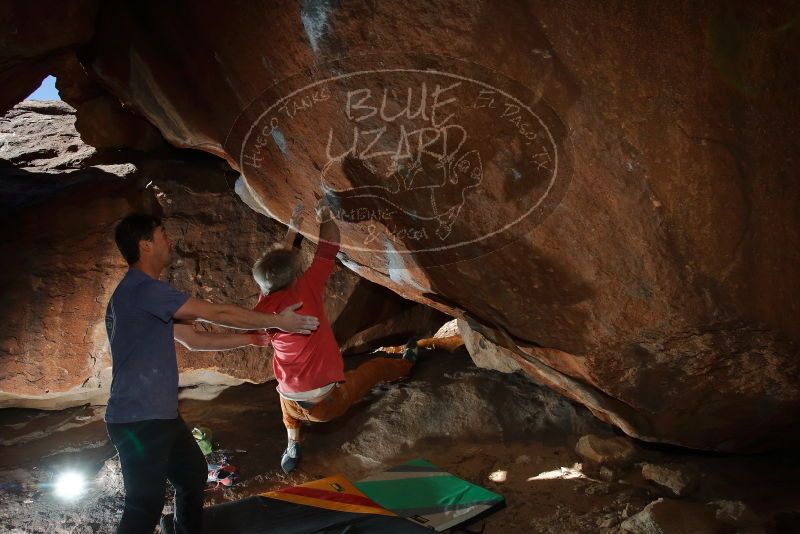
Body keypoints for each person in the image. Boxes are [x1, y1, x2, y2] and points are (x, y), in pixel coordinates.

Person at [104, 212, 320, 534]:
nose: (170, 240)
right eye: (163, 233)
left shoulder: (140, 294)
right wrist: (277, 321)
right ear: (145, 244)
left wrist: (249, 339)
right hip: (139, 419)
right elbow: (217, 312)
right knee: (143, 506)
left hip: (159, 417)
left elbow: (194, 341)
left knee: (192, 475)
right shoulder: (144, 290)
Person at [251, 200, 420, 474]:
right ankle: (407, 364)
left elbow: (274, 266)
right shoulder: (305, 289)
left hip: (289, 398)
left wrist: (293, 228)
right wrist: (325, 215)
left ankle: (293, 444)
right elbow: (328, 247)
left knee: (288, 405)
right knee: (373, 370)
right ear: (295, 277)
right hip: (325, 406)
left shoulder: (263, 306)